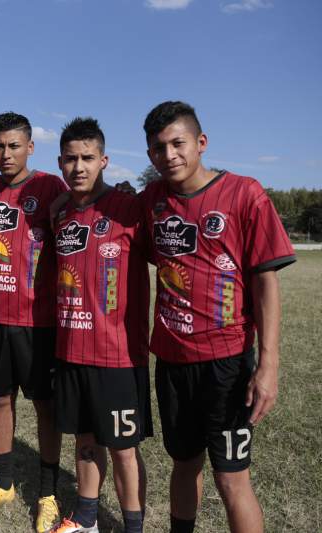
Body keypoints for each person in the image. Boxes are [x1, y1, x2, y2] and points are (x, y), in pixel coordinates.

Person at [140, 101, 295, 533]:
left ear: (201, 143)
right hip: (171, 362)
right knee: (184, 464)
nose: (168, 155)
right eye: (157, 148)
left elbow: (266, 282)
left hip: (225, 364)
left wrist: (268, 364)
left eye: (177, 143)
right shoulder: (151, 200)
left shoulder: (245, 193)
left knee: (231, 478)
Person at [0, 112, 67, 533]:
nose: (5, 154)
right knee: (0, 399)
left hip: (39, 321)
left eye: (13, 146)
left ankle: (47, 492)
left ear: (30, 147)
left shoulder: (49, 187)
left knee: (45, 406)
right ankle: (3, 482)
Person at [49, 117, 151, 533]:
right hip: (71, 347)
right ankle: (87, 518)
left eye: (88, 158)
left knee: (123, 448)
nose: (79, 167)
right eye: (71, 158)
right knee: (85, 440)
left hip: (118, 354)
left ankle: (132, 526)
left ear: (104, 160)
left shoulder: (129, 208)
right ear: (60, 162)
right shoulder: (60, 213)